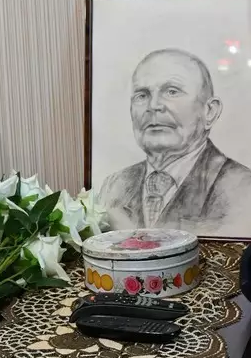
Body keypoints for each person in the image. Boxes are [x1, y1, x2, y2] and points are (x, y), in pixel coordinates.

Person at [98, 47, 251, 236]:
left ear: (210, 111)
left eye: (171, 92)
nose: (153, 106)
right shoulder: (115, 186)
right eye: (142, 95)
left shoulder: (241, 188)